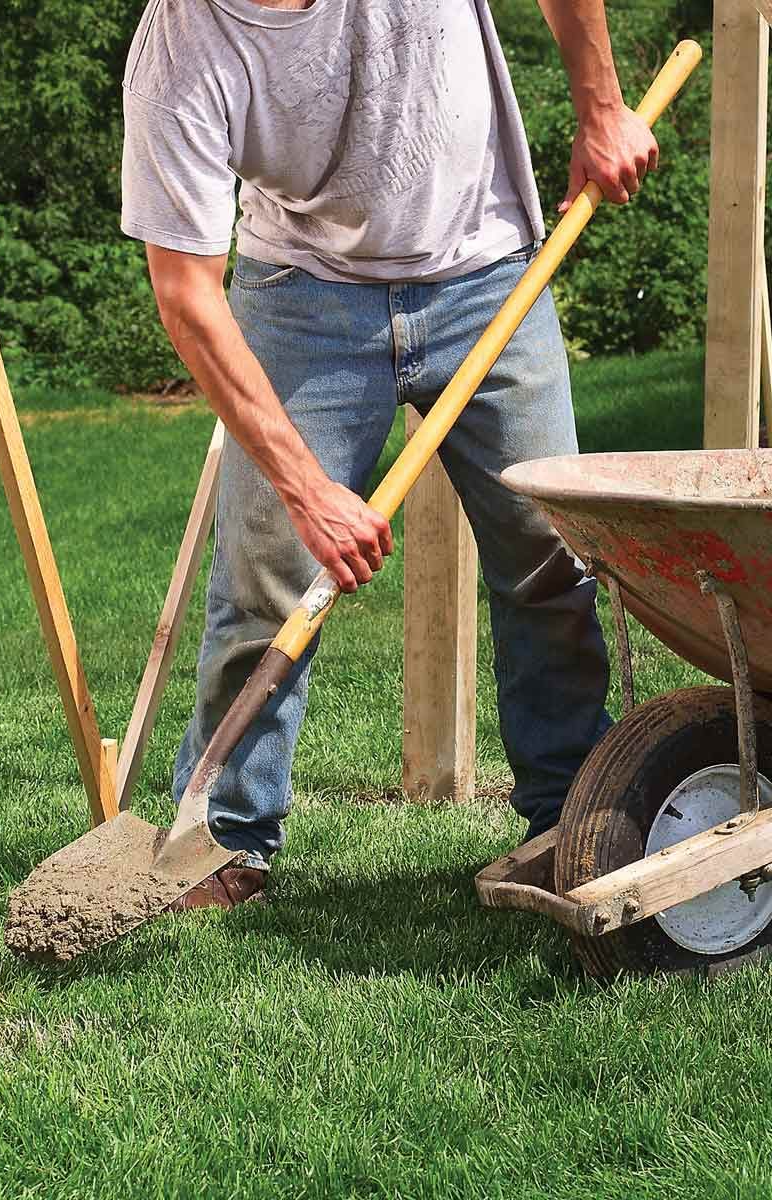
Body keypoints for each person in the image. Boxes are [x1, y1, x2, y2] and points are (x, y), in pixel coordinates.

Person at [120, 0, 658, 910]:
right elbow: (185, 294)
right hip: (302, 293)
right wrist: (306, 491)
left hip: (490, 271)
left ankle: (572, 814)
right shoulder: (180, 49)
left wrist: (600, 106)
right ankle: (224, 840)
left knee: (548, 558)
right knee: (268, 580)